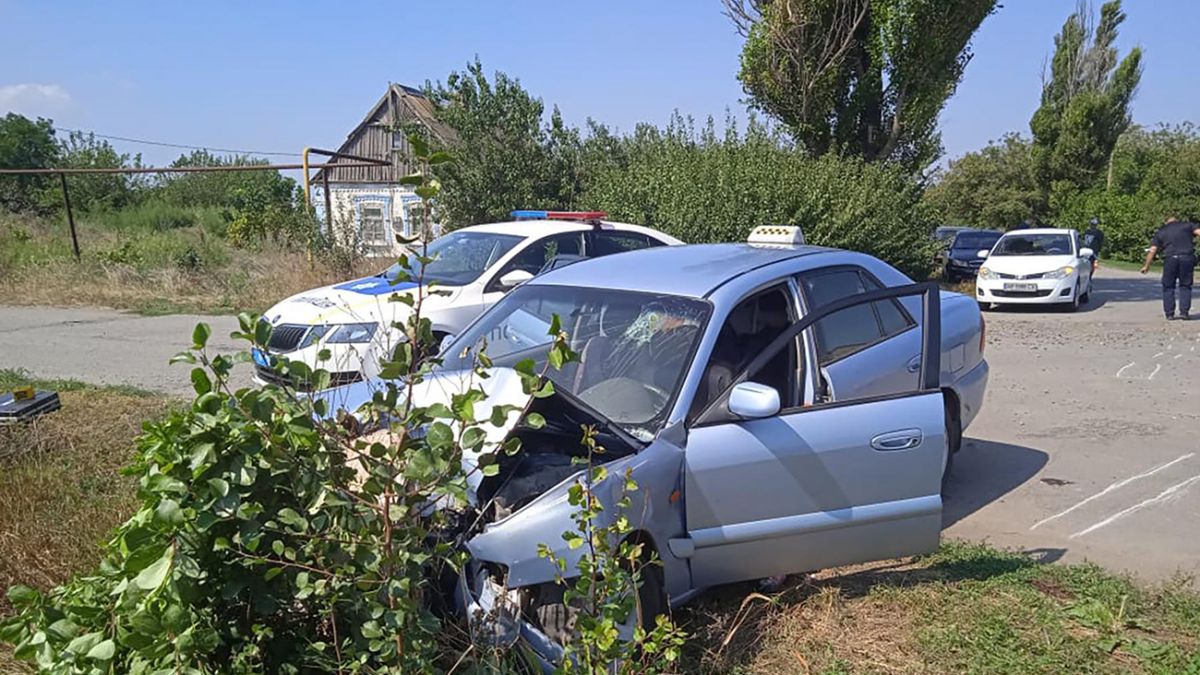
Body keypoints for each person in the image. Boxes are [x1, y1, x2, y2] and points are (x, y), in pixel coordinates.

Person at [1140, 216, 1200, 320]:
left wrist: (1147, 266)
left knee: (1168, 286)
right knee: (1185, 285)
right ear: (1177, 220)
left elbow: (1152, 250)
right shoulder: (1187, 225)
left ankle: (1169, 313)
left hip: (1170, 259)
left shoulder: (1161, 231)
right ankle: (1184, 312)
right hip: (1186, 257)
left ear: (1166, 222)